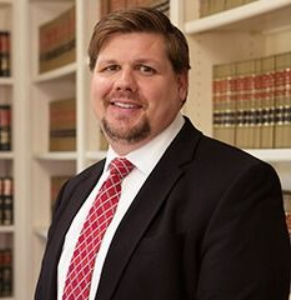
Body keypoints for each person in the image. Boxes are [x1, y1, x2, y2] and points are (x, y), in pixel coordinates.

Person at [34, 7, 291, 300]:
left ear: (181, 85)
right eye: (110, 68)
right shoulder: (75, 190)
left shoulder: (238, 186)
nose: (123, 83)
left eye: (145, 69)